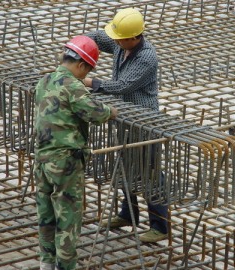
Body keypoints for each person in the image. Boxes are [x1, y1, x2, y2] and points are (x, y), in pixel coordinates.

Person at [84, 8, 168, 243]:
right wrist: (81, 44)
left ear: (135, 37)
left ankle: (160, 226)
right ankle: (128, 214)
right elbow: (99, 37)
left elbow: (122, 85)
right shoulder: (123, 44)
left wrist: (87, 81)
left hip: (144, 121)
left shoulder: (146, 57)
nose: (116, 43)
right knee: (124, 165)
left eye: (120, 39)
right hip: (124, 118)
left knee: (149, 171)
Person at [34, 35, 118, 270]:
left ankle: (47, 263)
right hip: (65, 163)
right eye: (86, 71)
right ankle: (66, 266)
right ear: (81, 65)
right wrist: (112, 111)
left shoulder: (45, 80)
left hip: (41, 159)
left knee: (46, 213)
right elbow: (96, 112)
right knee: (68, 217)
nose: (85, 77)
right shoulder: (72, 85)